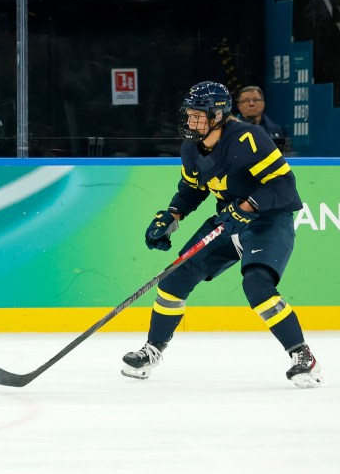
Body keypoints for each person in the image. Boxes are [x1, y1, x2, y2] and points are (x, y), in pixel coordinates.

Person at [127, 81, 322, 388]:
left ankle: (302, 355)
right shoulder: (191, 148)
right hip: (228, 221)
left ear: (217, 115)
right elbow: (192, 189)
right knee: (174, 279)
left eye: (198, 115)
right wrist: (172, 214)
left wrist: (247, 205)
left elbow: (284, 187)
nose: (191, 121)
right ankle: (153, 349)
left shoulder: (249, 138)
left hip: (267, 221)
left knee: (257, 284)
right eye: (189, 115)